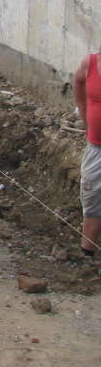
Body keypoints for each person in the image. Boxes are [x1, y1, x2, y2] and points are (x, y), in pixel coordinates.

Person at [72, 50, 101, 258]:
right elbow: (79, 81)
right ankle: (87, 252)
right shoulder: (91, 63)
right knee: (91, 192)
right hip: (97, 146)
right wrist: (83, 112)